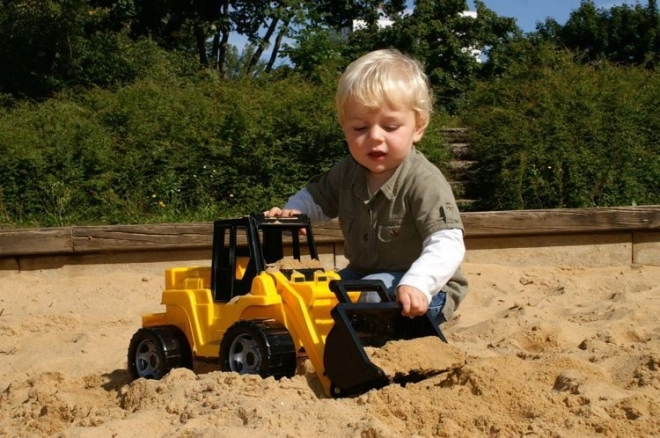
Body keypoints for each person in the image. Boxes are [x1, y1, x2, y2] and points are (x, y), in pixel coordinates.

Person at [264, 49, 468, 324]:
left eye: (391, 127)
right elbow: (314, 197)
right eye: (360, 128)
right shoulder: (347, 172)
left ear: (418, 127)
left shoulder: (424, 181)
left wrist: (419, 283)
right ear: (344, 126)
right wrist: (294, 212)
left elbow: (447, 244)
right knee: (318, 290)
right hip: (361, 276)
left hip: (425, 289)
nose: (374, 138)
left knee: (370, 294)